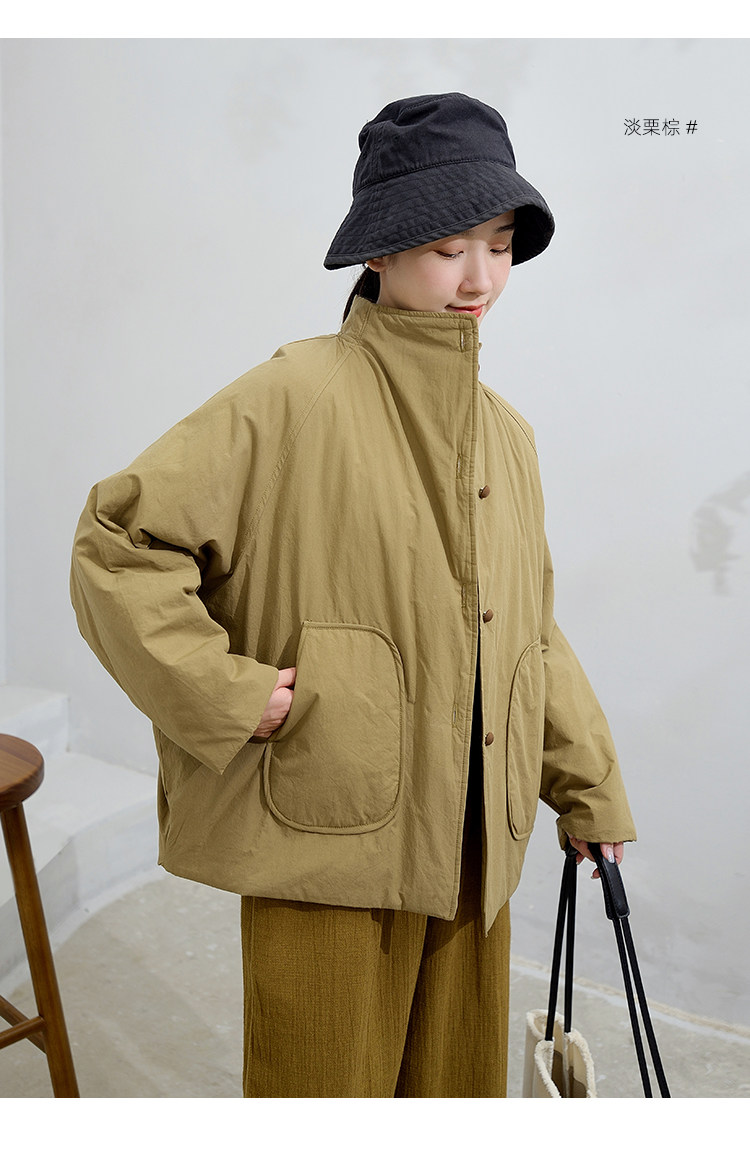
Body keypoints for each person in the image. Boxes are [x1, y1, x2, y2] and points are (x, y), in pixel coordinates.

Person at [70, 92, 636, 1098]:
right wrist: (227, 693)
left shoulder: (507, 436)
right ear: (379, 250)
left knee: (456, 1099)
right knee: (321, 1094)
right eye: (449, 247)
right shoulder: (292, 395)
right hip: (326, 832)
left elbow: (528, 631)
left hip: (476, 841)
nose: (479, 278)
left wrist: (588, 786)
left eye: (500, 247)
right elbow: (119, 543)